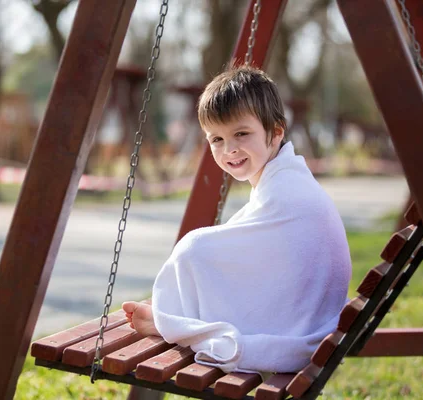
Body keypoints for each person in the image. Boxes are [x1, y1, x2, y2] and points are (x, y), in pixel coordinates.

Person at [122, 65, 351, 374]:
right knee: (202, 249)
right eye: (216, 139)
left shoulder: (287, 189)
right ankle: (173, 317)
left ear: (276, 131)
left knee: (193, 248)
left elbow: (244, 251)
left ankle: (172, 320)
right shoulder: (286, 177)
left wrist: (199, 251)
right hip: (313, 316)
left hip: (299, 325)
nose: (229, 149)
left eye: (241, 134)